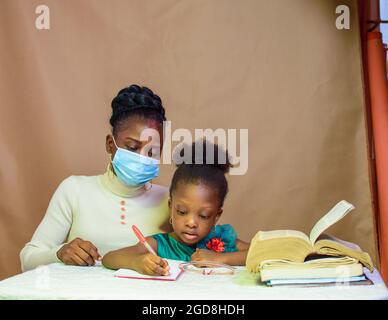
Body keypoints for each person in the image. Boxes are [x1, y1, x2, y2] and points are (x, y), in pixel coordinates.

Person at [20, 85, 170, 272]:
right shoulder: (74, 190)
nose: (141, 157)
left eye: (152, 151)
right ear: (110, 144)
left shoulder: (171, 202)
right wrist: (59, 253)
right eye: (132, 147)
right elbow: (27, 260)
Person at [102, 140, 250, 276]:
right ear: (171, 206)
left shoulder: (222, 240)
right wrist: (136, 262)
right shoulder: (159, 245)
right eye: (182, 212)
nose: (191, 222)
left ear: (216, 216)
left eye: (204, 215)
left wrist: (220, 259)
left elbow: (261, 254)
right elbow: (109, 258)